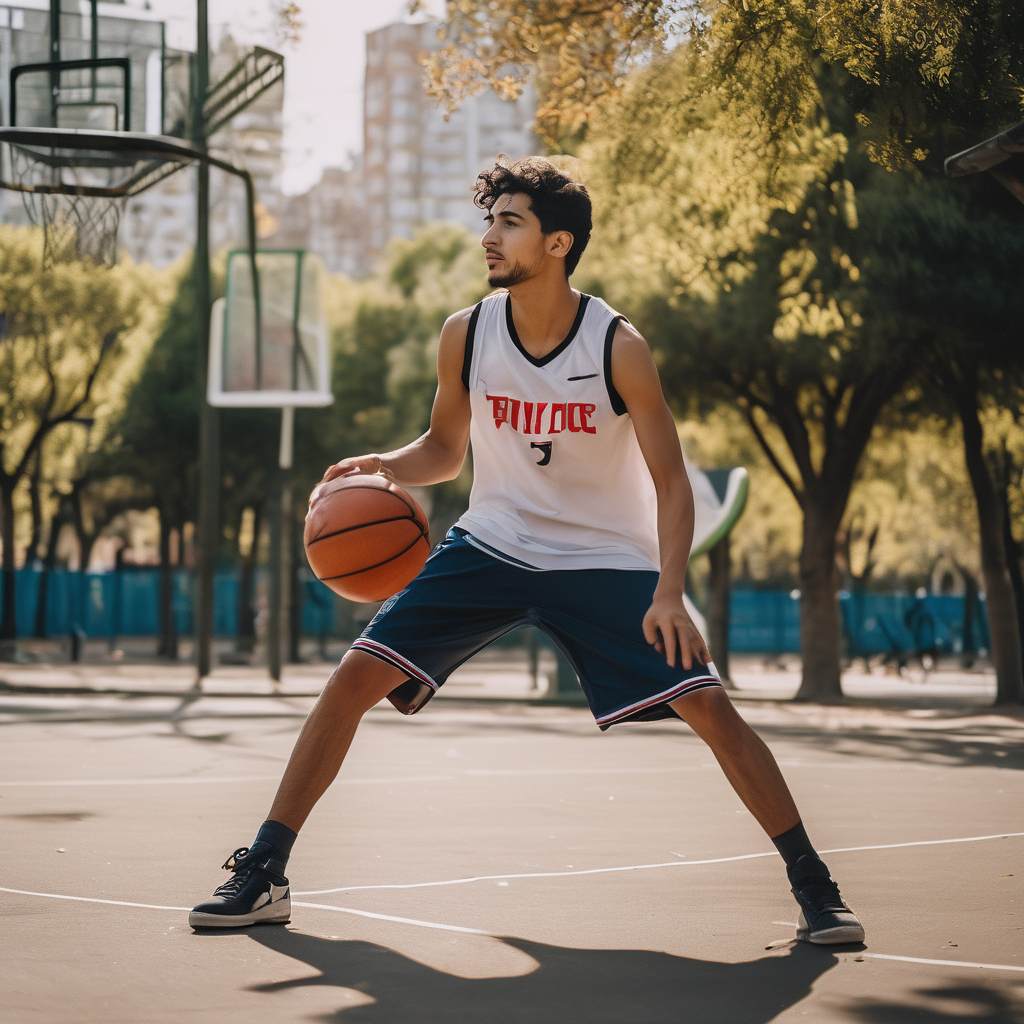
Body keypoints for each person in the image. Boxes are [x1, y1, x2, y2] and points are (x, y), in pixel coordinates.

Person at [189, 157, 864, 946]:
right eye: (491, 221)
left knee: (708, 704)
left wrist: (668, 591)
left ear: (558, 243)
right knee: (352, 679)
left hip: (604, 555)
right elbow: (445, 451)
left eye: (510, 223)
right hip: (495, 541)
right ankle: (265, 871)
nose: (490, 237)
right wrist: (384, 464)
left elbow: (672, 484)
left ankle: (815, 886)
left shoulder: (617, 346)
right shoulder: (466, 333)